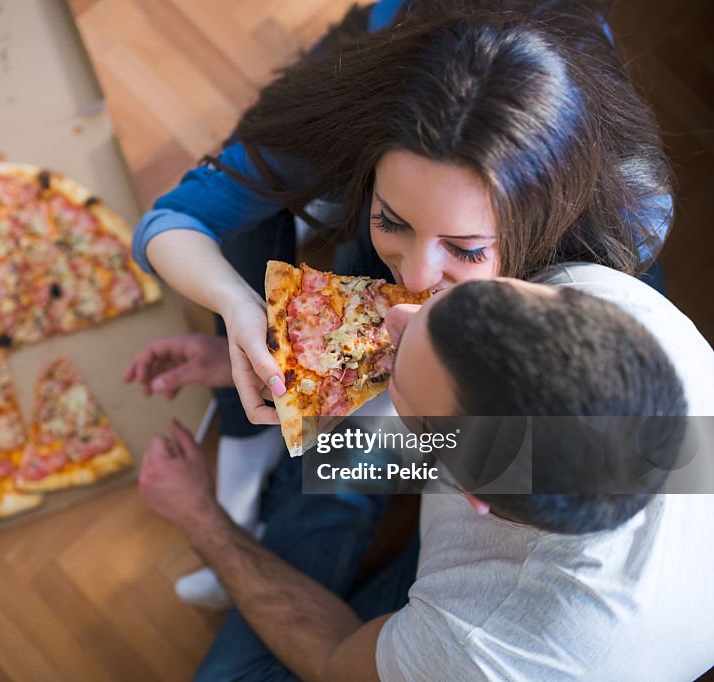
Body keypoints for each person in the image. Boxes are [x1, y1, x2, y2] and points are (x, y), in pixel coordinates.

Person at [128, 0, 674, 606]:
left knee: (342, 470)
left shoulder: (619, 242)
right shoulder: (355, 105)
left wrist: (367, 426)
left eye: (464, 250)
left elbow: (448, 447)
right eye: (390, 219)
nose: (411, 282)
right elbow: (172, 220)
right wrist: (243, 313)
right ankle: (259, 455)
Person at [138, 275, 714, 681]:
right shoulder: (613, 298)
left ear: (463, 492)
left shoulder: (488, 650)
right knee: (346, 452)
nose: (397, 312)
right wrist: (285, 367)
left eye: (401, 377)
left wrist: (201, 518)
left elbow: (334, 659)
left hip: (480, 638)